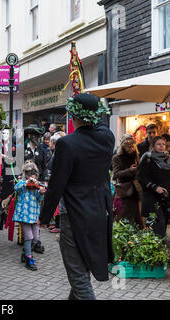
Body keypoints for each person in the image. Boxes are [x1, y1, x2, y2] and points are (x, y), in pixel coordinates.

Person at [39, 93, 114, 300]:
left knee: (79, 276)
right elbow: (98, 127)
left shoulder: (67, 144)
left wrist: (44, 217)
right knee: (83, 270)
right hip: (99, 212)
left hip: (74, 215)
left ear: (72, 115)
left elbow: (56, 186)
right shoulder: (107, 137)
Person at [137, 136, 170, 238]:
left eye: (163, 144)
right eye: (159, 144)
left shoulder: (168, 159)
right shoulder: (147, 158)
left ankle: (158, 249)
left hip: (165, 198)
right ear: (153, 145)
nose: (162, 146)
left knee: (164, 224)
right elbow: (141, 177)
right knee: (157, 225)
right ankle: (155, 249)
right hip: (151, 197)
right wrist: (155, 187)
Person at [12, 161, 46, 271]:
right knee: (29, 237)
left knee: (35, 239)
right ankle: (29, 259)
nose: (32, 176)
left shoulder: (37, 184)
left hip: (34, 215)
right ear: (26, 174)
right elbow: (16, 187)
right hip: (24, 215)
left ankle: (25, 253)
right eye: (29, 173)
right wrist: (26, 182)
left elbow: (39, 199)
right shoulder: (22, 182)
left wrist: (41, 193)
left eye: (34, 173)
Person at [111, 134, 142, 226]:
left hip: (135, 190)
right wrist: (129, 170)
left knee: (136, 217)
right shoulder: (117, 158)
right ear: (123, 146)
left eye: (132, 146)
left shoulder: (136, 156)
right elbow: (115, 174)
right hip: (123, 190)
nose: (131, 148)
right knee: (122, 216)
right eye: (128, 146)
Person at [43, 132, 67, 233]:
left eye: (52, 141)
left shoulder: (59, 154)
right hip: (56, 181)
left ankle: (61, 226)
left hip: (59, 184)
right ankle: (59, 225)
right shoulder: (54, 152)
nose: (49, 143)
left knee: (61, 206)